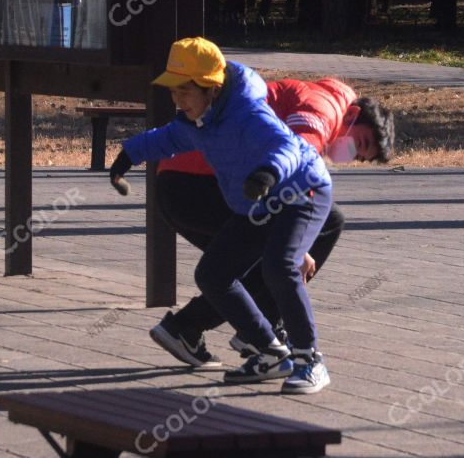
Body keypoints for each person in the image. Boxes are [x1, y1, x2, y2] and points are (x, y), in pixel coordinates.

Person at [109, 37, 333, 394]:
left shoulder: (247, 112)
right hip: (257, 203)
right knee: (213, 275)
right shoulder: (196, 119)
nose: (178, 101)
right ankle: (272, 353)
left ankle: (310, 361)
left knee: (279, 267)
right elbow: (168, 138)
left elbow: (287, 147)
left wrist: (268, 173)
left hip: (300, 191)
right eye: (173, 92)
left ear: (211, 88)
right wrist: (128, 155)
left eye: (185, 92)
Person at [149, 78, 395, 368]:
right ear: (353, 116)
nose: (351, 154)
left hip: (178, 184)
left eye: (359, 157)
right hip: (200, 184)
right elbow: (292, 157)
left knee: (244, 265)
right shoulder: (322, 109)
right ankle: (258, 333)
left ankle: (192, 329)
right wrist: (294, 244)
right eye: (359, 143)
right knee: (326, 222)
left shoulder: (327, 100)